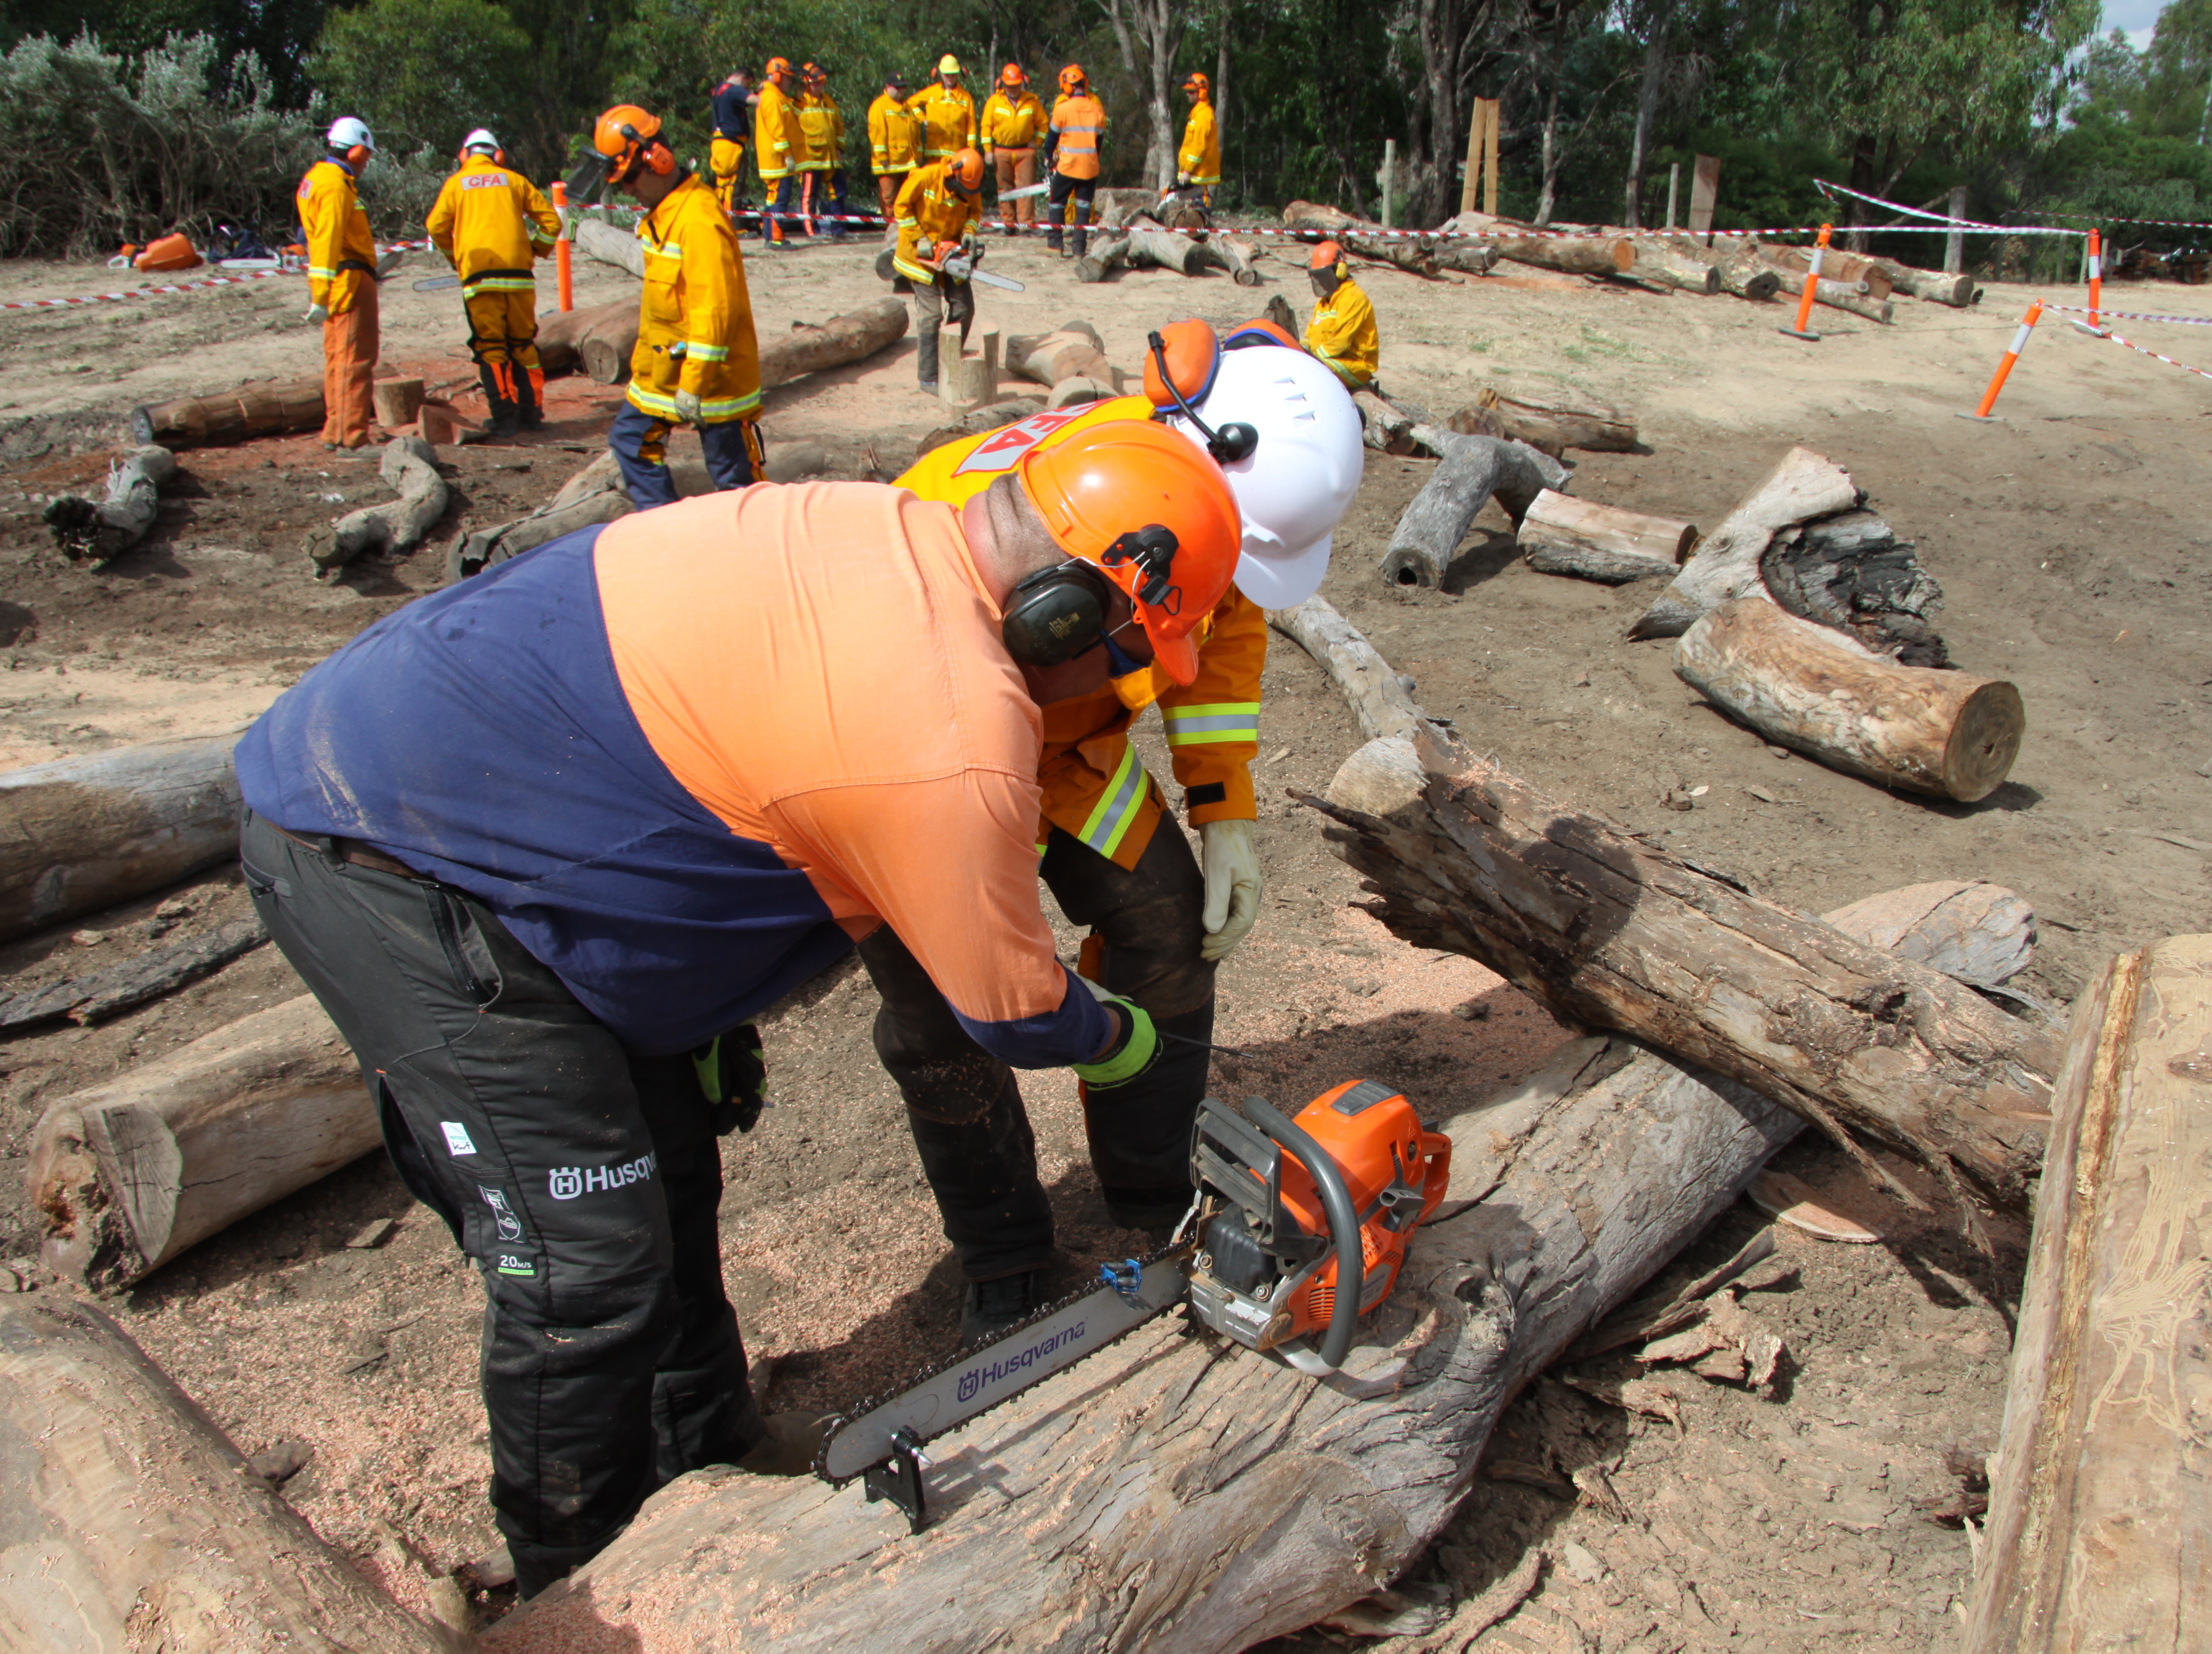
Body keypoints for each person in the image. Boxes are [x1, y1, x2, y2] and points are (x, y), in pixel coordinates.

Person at [233, 418, 1245, 1599]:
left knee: (668, 1176)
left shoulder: (876, 523)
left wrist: (688, 1001)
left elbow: (732, 754)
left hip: (477, 798)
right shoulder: (953, 720)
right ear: (1063, 609)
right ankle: (583, 1590)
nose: (1120, 683)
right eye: (1126, 650)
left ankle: (701, 1463)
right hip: (390, 854)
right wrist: (1120, 1036)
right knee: (588, 1266)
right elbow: (1011, 1010)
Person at [890, 320, 1365, 1335]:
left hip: (1067, 752)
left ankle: (1152, 1195)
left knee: (1166, 925)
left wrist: (1225, 811)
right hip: (923, 753)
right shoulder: (1013, 507)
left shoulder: (1196, 499)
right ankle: (1004, 1251)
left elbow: (1224, 628)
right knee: (939, 1010)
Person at [589, 106, 765, 509]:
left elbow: (715, 310)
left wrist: (695, 383)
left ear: (659, 160)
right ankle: (664, 529)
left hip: (714, 383)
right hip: (663, 375)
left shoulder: (698, 220)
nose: (628, 190)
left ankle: (755, 551)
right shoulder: (664, 215)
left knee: (734, 481)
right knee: (631, 441)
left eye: (630, 178)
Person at [424, 129, 562, 438]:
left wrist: (456, 260)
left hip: (479, 278)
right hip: (519, 278)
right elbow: (552, 223)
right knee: (524, 344)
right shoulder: (515, 180)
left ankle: (504, 420)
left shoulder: (455, 184)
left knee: (491, 347)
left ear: (464, 156)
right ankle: (532, 416)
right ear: (498, 155)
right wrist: (535, 248)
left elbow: (435, 226)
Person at [299, 116, 380, 452]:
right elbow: (327, 241)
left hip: (339, 281)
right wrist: (318, 295)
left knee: (337, 359)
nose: (366, 165)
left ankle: (336, 430)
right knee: (354, 360)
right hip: (346, 282)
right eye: (367, 157)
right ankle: (352, 437)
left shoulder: (317, 180)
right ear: (358, 152)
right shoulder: (335, 186)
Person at [894, 149, 984, 396]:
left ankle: (950, 359)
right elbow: (900, 207)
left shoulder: (970, 186)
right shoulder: (925, 178)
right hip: (919, 256)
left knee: (965, 308)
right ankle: (929, 376)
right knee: (931, 315)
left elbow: (975, 212)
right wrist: (918, 237)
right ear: (953, 175)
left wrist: (969, 232)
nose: (964, 193)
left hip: (951, 253)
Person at [1044, 65, 1106, 258]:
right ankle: (1079, 249)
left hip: (1067, 165)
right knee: (1083, 207)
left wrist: (1047, 158)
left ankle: (1056, 245)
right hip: (1090, 166)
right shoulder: (1097, 109)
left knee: (1056, 203)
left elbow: (1051, 139)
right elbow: (1099, 142)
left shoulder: (1062, 109)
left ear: (1068, 86)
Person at [980, 63, 1046, 237]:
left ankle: (1026, 224)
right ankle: (1008, 224)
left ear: (1021, 83)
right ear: (1003, 84)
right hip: (1002, 151)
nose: (1013, 88)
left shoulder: (1031, 101)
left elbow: (1044, 124)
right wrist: (988, 150)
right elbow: (986, 126)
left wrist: (1037, 142)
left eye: (1016, 85)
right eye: (1009, 85)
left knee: (1026, 188)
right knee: (1004, 188)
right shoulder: (994, 101)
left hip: (1025, 151)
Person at [753, 55, 811, 247]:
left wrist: (800, 95)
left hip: (779, 159)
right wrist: (787, 156)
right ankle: (775, 238)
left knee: (775, 198)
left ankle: (771, 236)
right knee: (780, 198)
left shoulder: (778, 97)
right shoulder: (771, 99)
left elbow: (796, 115)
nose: (790, 81)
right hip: (778, 160)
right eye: (788, 78)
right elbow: (778, 131)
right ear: (777, 77)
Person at [1305, 240, 1378, 388]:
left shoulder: (1353, 297)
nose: (1320, 281)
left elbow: (1340, 343)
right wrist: (1299, 350)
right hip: (1332, 360)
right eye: (1317, 276)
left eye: (1323, 275)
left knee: (1314, 370)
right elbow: (1309, 336)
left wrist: (1311, 359)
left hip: (1357, 366)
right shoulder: (1324, 303)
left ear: (1340, 270)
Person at [797, 62, 849, 239]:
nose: (819, 85)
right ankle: (812, 231)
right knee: (809, 196)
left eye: (821, 82)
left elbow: (838, 127)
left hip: (832, 157)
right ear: (806, 82)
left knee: (839, 192)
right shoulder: (800, 102)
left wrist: (840, 148)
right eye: (815, 82)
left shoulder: (828, 101)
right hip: (811, 158)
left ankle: (839, 230)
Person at [868, 70, 921, 233]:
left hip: (907, 161)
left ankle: (907, 228)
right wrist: (882, 156)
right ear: (887, 87)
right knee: (889, 197)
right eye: (897, 88)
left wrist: (918, 156)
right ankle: (891, 229)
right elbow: (877, 133)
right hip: (888, 162)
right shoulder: (879, 106)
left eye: (903, 87)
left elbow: (915, 133)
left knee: (909, 196)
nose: (901, 91)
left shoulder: (907, 107)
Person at [905, 53, 976, 169]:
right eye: (946, 74)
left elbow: (971, 126)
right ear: (940, 74)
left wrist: (971, 150)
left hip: (957, 154)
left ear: (958, 74)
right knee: (934, 185)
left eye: (953, 74)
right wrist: (923, 119)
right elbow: (910, 103)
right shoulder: (932, 92)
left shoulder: (966, 97)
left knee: (953, 186)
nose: (950, 77)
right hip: (935, 152)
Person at [708, 66, 756, 214]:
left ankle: (721, 219)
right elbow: (756, 100)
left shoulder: (718, 90)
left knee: (722, 184)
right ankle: (736, 226)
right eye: (748, 85)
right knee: (735, 185)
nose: (747, 89)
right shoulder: (734, 89)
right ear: (743, 78)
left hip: (719, 143)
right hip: (732, 144)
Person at [1175, 71, 1220, 214]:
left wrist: (1188, 171)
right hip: (1193, 174)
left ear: (1202, 93)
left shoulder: (1203, 116)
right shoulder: (1197, 114)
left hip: (1196, 175)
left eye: (1191, 92)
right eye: (1187, 92)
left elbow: (1198, 147)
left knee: (1197, 214)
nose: (1188, 94)